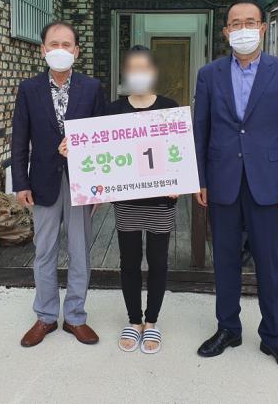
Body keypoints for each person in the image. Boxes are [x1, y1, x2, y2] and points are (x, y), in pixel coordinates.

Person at [193, 0, 278, 373]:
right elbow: (200, 129)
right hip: (222, 180)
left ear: (263, 28)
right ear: (226, 31)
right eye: (236, 24)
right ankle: (228, 329)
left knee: (269, 263)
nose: (243, 30)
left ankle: (274, 336)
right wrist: (200, 178)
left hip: (268, 183)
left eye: (250, 22)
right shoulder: (209, 75)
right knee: (224, 260)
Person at [12, 21, 106, 348]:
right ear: (43, 50)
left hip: (83, 180)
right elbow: (20, 138)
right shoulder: (29, 89)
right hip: (42, 180)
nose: (60, 50)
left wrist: (101, 185)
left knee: (80, 250)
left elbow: (102, 136)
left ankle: (76, 317)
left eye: (67, 45)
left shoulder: (92, 88)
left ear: (76, 51)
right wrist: (20, 182)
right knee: (45, 250)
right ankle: (46, 316)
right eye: (54, 44)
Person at [104, 45, 178, 354]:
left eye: (144, 68)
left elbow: (178, 151)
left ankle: (152, 321)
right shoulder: (112, 110)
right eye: (132, 68)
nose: (138, 74)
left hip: (161, 201)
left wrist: (178, 180)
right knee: (130, 262)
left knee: (159, 263)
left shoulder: (170, 107)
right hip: (127, 202)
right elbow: (102, 153)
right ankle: (134, 321)